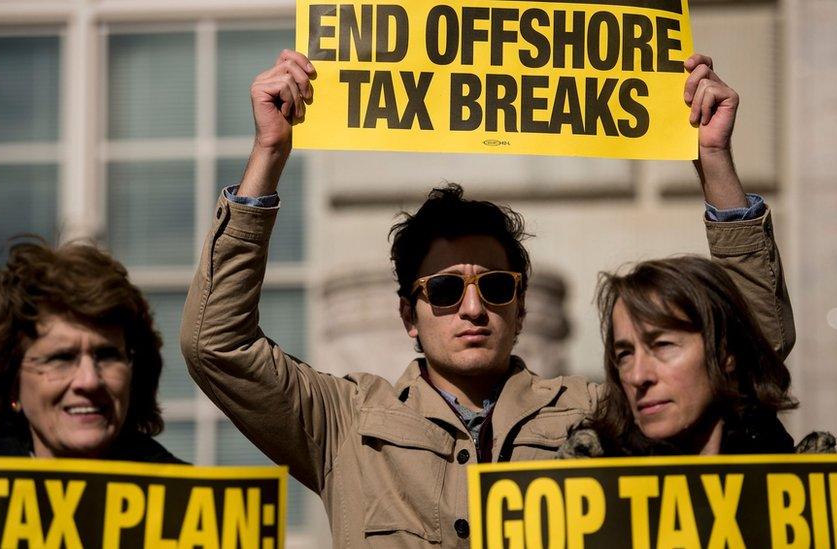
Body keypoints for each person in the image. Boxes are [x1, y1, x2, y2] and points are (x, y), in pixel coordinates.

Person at [180, 49, 792, 545]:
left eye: (495, 287)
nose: (473, 309)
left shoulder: (597, 411)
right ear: (408, 316)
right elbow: (215, 345)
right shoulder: (343, 423)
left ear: (521, 304)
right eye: (444, 292)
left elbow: (745, 345)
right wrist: (268, 154)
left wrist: (714, 158)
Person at [559, 257, 834, 458]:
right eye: (625, 354)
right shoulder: (588, 480)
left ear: (727, 353)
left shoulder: (797, 482)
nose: (638, 376)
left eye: (663, 345)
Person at [0, 239, 183, 463]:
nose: (89, 381)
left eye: (107, 356)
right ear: (12, 386)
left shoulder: (183, 494)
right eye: (61, 358)